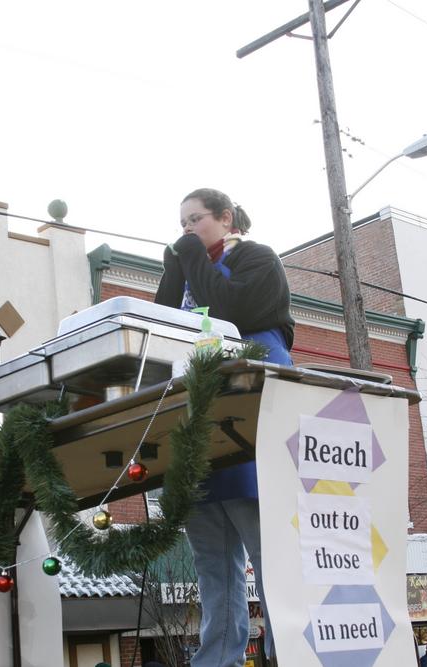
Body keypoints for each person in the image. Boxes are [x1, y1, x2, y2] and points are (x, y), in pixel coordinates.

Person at [155, 188, 294, 667]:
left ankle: (288, 654)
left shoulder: (257, 258)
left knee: (269, 555)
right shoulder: (193, 265)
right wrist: (176, 270)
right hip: (197, 424)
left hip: (251, 412)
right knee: (213, 565)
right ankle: (217, 658)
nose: (188, 230)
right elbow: (165, 325)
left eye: (196, 219)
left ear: (226, 217)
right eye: (182, 223)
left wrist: (193, 259)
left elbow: (234, 310)